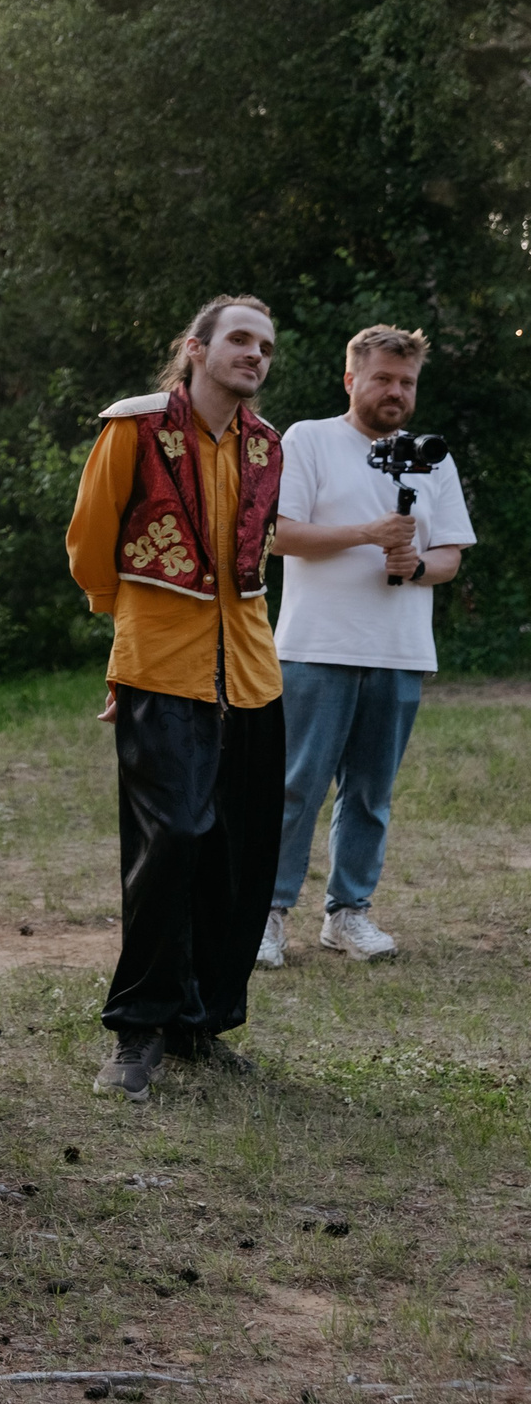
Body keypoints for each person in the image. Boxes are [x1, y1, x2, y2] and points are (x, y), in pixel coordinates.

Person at [66, 295, 287, 1102]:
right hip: (163, 669)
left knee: (239, 849)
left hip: (256, 674)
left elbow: (255, 553)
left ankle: (200, 1021)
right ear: (195, 346)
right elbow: (90, 543)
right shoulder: (134, 427)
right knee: (171, 845)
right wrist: (130, 635)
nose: (254, 354)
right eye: (238, 338)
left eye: (264, 345)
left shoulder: (268, 446)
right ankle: (139, 1025)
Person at [261, 325, 472, 967]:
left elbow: (450, 556)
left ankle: (349, 914)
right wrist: (368, 533)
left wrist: (412, 567)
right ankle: (266, 914)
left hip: (400, 650)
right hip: (316, 644)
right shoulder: (309, 439)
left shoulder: (432, 455)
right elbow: (278, 534)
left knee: (371, 793)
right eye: (382, 378)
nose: (395, 392)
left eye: (406, 382)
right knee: (296, 786)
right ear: (351, 379)